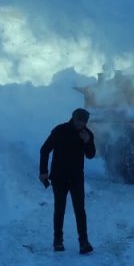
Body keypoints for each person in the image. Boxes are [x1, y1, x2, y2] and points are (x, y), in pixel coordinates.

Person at [39, 107, 97, 254]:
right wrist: (43, 171)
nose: (81, 124)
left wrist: (88, 142)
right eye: (79, 120)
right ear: (73, 118)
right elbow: (45, 149)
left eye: (84, 121)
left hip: (76, 178)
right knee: (59, 209)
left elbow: (91, 155)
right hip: (59, 177)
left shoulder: (87, 134)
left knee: (80, 210)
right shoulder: (60, 130)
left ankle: (84, 242)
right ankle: (57, 241)